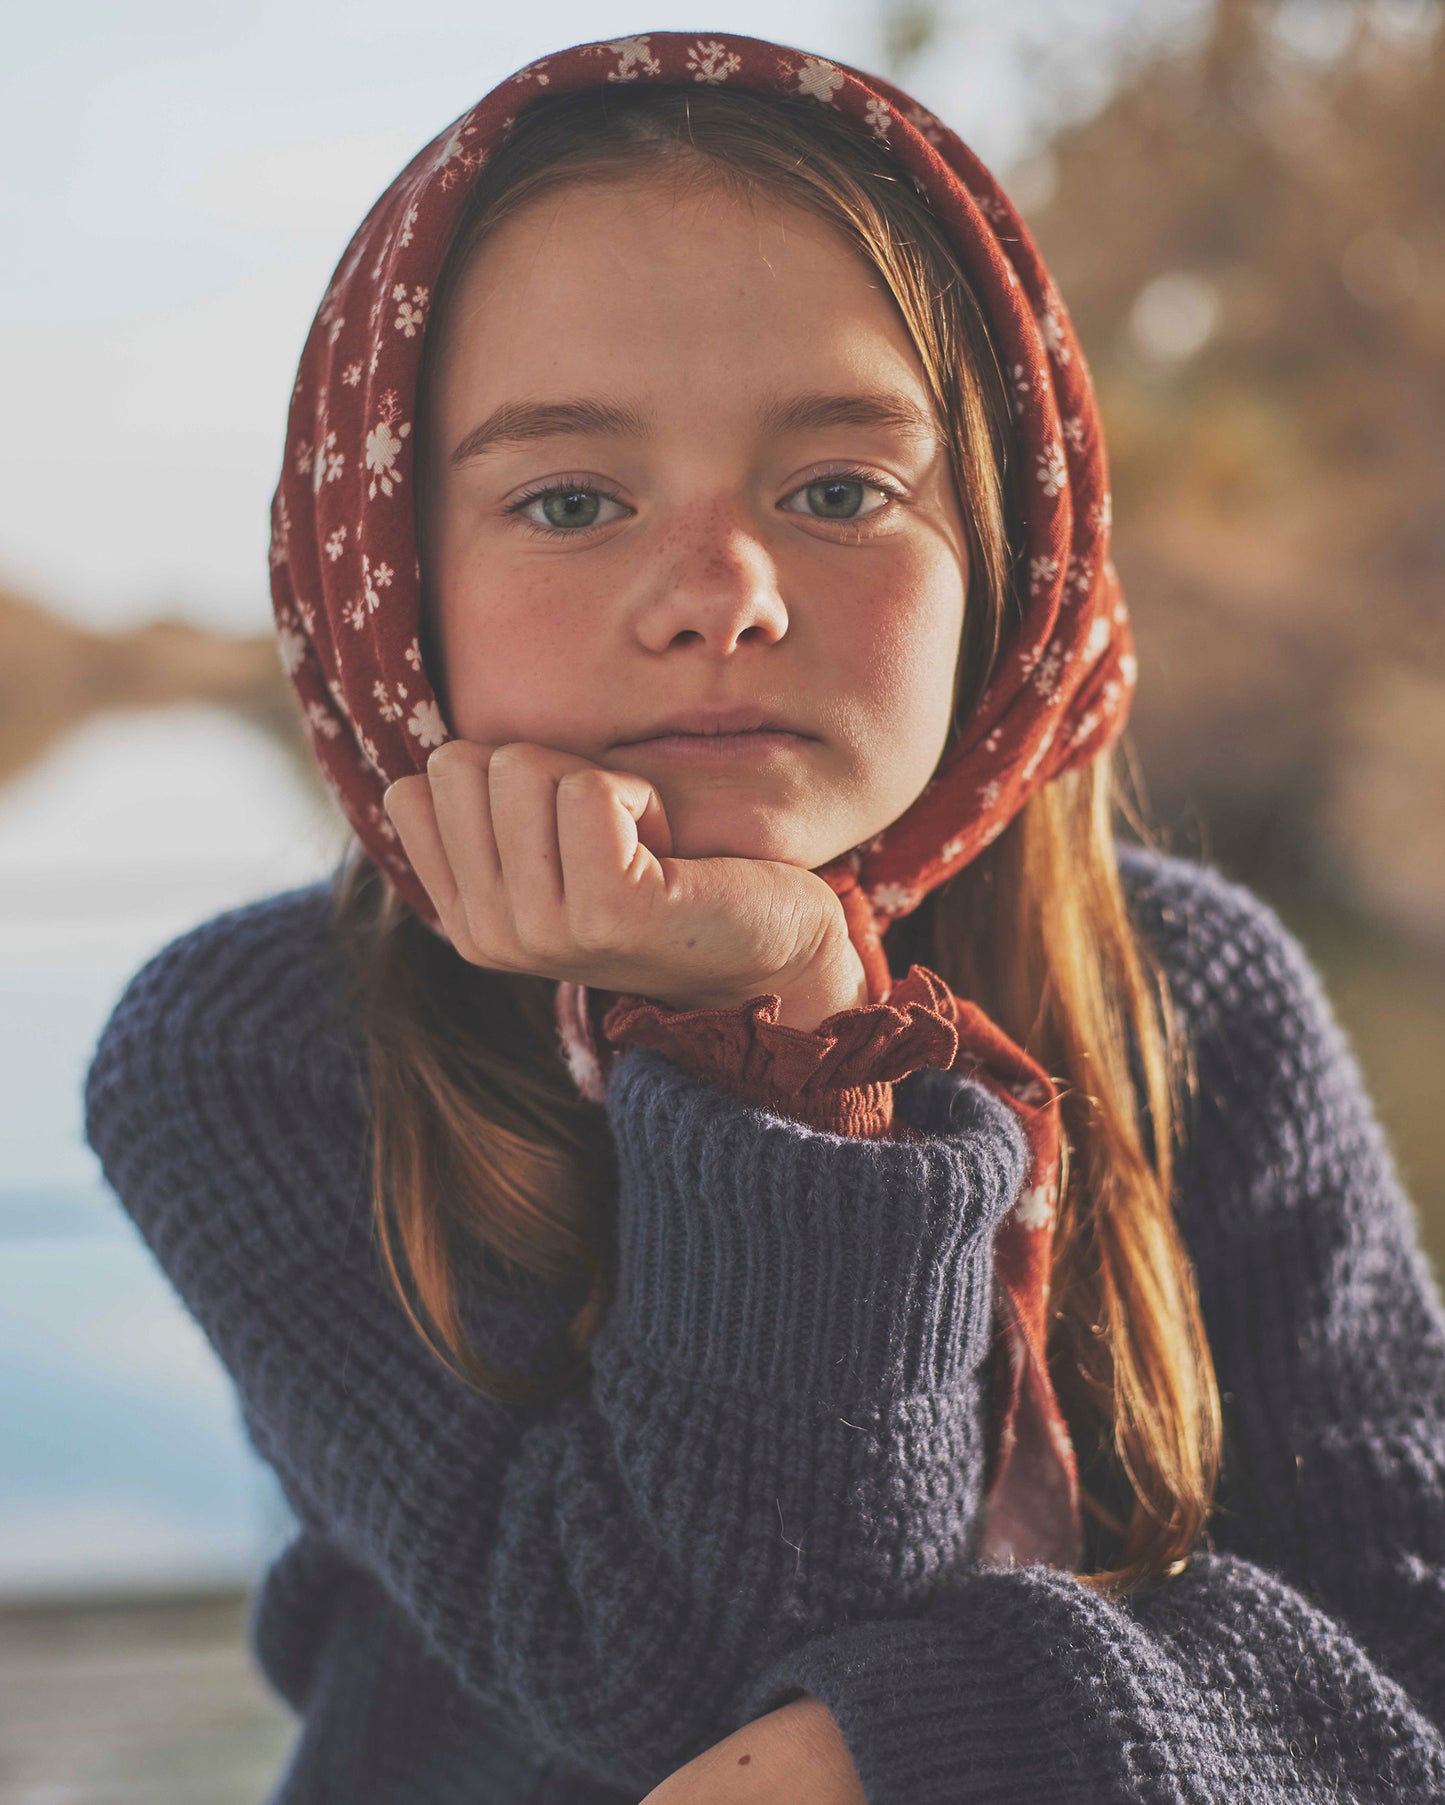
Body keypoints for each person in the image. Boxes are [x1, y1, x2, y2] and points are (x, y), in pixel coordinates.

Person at [82, 30, 1445, 1805]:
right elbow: (658, 1684)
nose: (721, 593)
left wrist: (965, 1734)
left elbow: (1405, 1656)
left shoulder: (1192, 993)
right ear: (389, 576)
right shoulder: (259, 1048)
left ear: (1011, 547)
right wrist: (789, 1045)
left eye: (837, 491)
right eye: (570, 500)